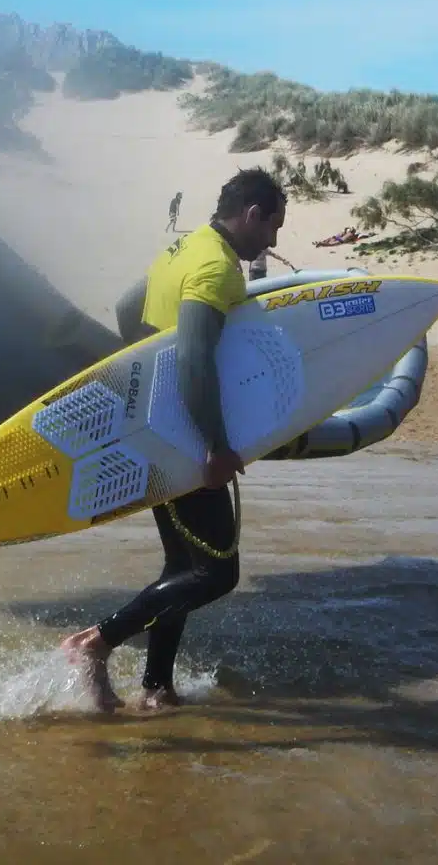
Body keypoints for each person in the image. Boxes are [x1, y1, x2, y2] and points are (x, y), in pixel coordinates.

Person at [61, 167, 288, 713]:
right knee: (216, 573)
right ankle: (95, 643)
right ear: (252, 214)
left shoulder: (184, 248)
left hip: (157, 429)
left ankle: (156, 688)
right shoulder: (213, 267)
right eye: (273, 226)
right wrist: (214, 444)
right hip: (187, 435)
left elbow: (124, 307)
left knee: (181, 568)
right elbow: (193, 358)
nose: (274, 241)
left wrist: (147, 376)